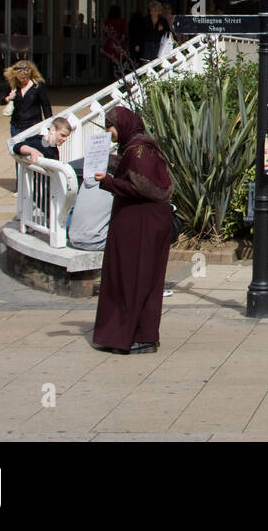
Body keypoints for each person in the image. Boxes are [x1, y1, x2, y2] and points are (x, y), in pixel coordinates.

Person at [91, 107, 173, 355]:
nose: (109, 132)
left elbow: (144, 187)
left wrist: (108, 181)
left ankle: (138, 335)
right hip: (136, 223)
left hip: (143, 225)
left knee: (135, 278)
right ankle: (128, 334)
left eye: (111, 126)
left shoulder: (140, 150)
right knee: (129, 277)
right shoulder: (134, 147)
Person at [3, 60, 51, 141]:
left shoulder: (38, 86)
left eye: (25, 77)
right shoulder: (13, 86)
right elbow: (2, 101)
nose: (22, 80)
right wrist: (8, 98)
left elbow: (46, 106)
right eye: (20, 77)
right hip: (16, 126)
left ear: (30, 75)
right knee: (19, 150)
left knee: (33, 150)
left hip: (33, 126)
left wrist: (49, 126)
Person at [102, 5, 129, 79]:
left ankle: (112, 78)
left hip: (111, 45)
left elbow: (105, 33)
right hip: (120, 45)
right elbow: (124, 34)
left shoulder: (108, 21)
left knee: (112, 62)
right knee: (121, 63)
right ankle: (121, 78)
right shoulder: (122, 21)